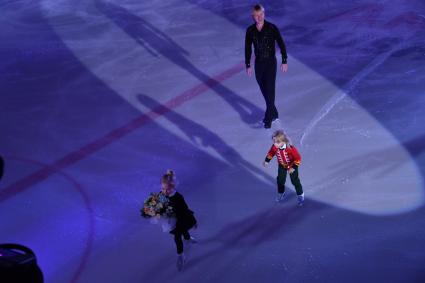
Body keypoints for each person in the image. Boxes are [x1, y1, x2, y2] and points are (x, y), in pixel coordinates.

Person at [245, 4, 288, 129]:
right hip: (258, 63)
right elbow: (247, 48)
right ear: (253, 16)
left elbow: (281, 43)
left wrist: (284, 60)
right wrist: (248, 64)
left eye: (261, 14)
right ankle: (274, 111)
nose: (259, 17)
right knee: (264, 89)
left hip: (270, 63)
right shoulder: (250, 30)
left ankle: (268, 117)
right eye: (256, 15)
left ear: (264, 14)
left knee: (270, 89)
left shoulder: (271, 28)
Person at [160, 170, 197, 271]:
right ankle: (183, 249)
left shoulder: (178, 197)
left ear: (173, 187)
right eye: (163, 188)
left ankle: (183, 249)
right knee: (178, 235)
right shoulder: (163, 195)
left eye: (168, 189)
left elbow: (185, 209)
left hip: (181, 218)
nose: (165, 191)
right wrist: (158, 211)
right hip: (171, 220)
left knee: (181, 233)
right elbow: (162, 205)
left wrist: (193, 220)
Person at [263, 130, 305, 206]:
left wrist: (294, 167)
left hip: (292, 166)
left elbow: (298, 158)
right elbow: (271, 153)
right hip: (282, 166)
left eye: (277, 142)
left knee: (295, 181)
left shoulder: (290, 149)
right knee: (280, 180)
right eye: (274, 142)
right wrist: (267, 160)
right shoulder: (275, 147)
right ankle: (281, 192)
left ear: (283, 142)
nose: (275, 144)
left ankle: (300, 194)